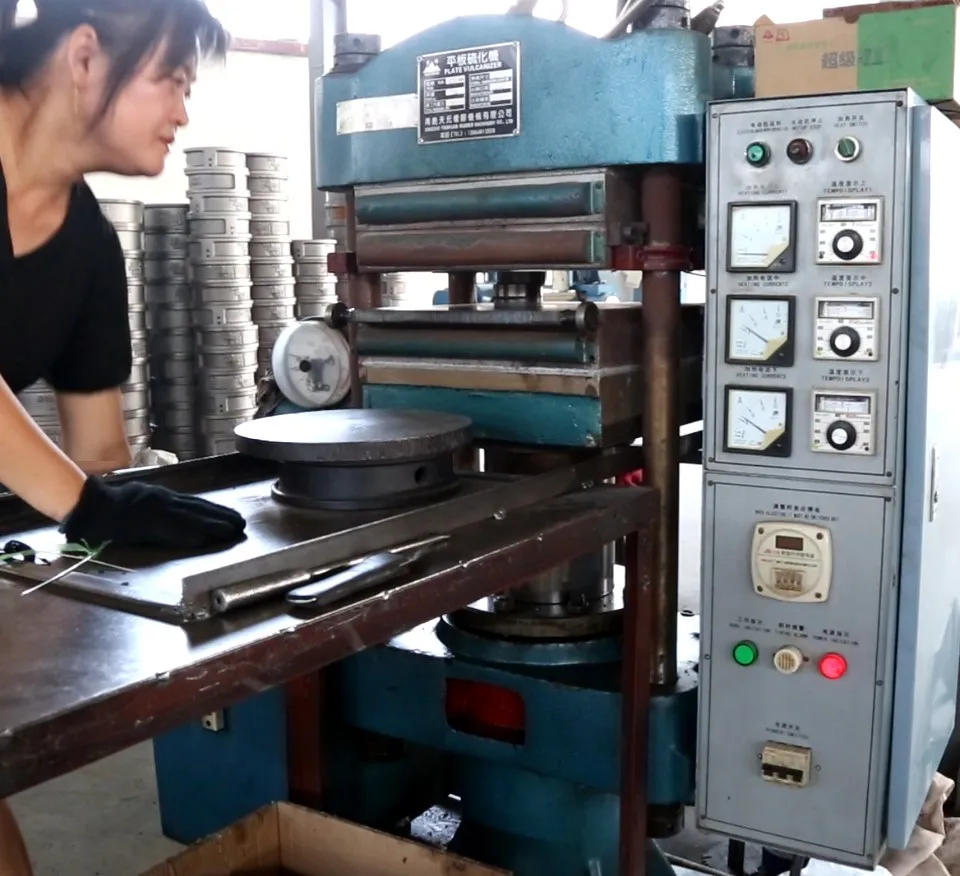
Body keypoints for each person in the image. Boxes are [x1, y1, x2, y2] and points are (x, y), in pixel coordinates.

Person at [0, 1, 247, 872]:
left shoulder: (88, 247)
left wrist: (145, 514)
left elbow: (99, 452)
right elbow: (79, 494)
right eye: (171, 81)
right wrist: (87, 505)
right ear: (83, 57)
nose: (183, 112)